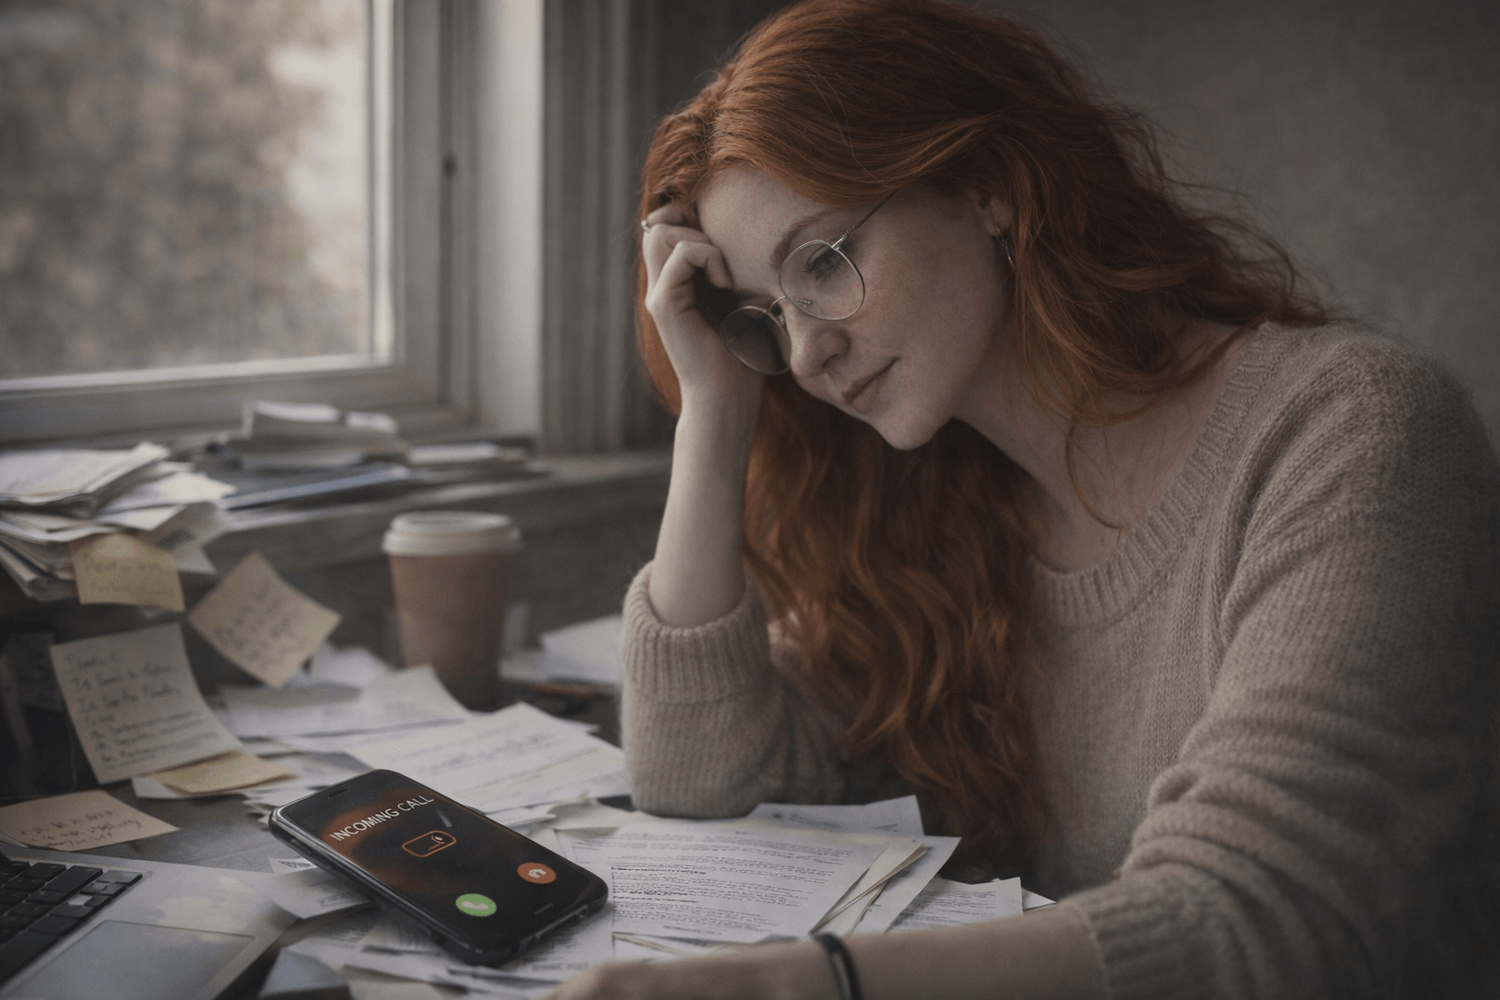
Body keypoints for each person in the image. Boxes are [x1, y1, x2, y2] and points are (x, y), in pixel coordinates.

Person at [547, 1, 1500, 997]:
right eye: (765, 317)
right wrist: (714, 411)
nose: (805, 351)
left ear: (989, 187)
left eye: (822, 264)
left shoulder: (1357, 431)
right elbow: (700, 783)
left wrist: (800, 985)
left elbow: (1256, 916)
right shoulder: (931, 505)